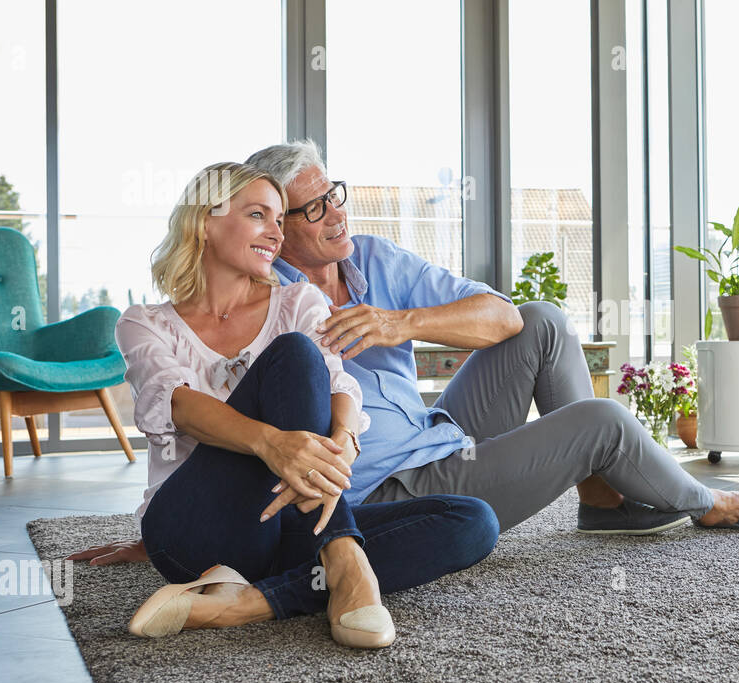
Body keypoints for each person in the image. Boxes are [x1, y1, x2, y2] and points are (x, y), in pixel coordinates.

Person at [71, 141, 739, 566]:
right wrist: (169, 525)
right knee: (602, 423)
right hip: (388, 482)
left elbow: (501, 317)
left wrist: (399, 324)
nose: (336, 216)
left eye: (336, 196)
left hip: (430, 429)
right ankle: (713, 504)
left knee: (542, 321)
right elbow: (195, 413)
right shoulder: (273, 295)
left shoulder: (373, 259)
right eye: (309, 209)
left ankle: (601, 498)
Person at [101, 162, 498, 649]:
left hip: (291, 526)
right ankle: (346, 561)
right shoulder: (145, 322)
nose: (275, 232)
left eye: (278, 218)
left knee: (473, 521)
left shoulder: (297, 301)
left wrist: (345, 445)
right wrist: (273, 445)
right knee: (292, 353)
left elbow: (340, 389)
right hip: (194, 532)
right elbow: (177, 404)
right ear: (204, 221)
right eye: (257, 215)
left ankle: (252, 601)